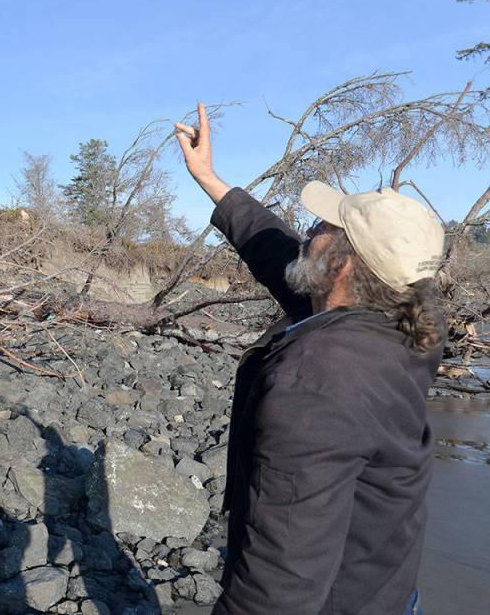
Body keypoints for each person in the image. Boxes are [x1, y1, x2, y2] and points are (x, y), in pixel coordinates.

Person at [174, 104, 444, 614]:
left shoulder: (320, 381)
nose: (309, 229)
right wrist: (210, 179)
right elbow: (277, 251)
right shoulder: (406, 321)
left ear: (339, 265)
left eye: (322, 225)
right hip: (386, 588)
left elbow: (282, 581)